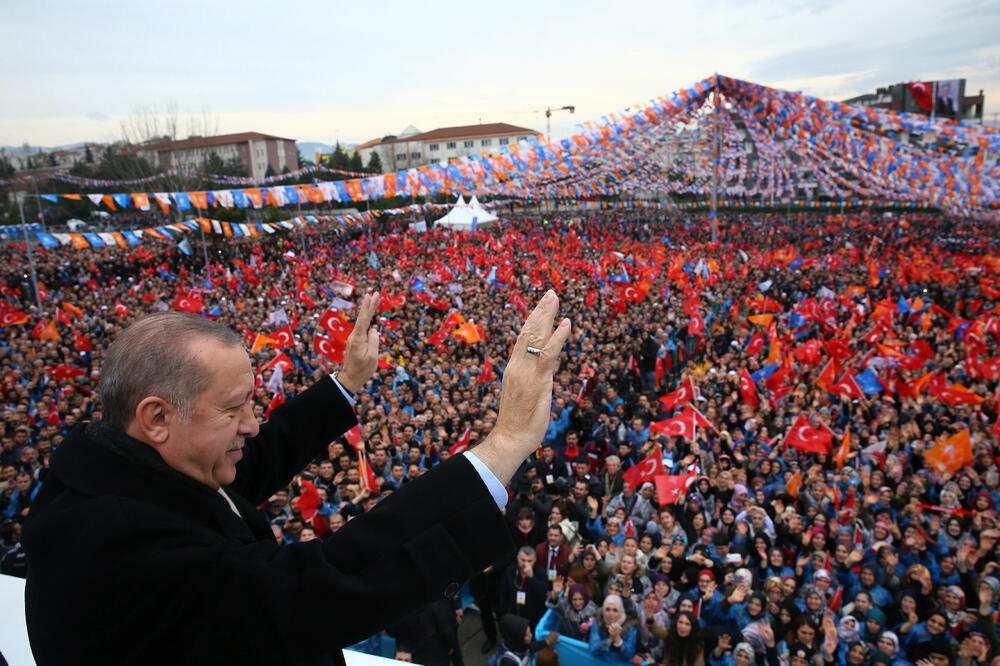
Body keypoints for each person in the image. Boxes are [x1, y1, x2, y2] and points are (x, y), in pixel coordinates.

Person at [22, 291, 573, 665]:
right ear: (157, 417)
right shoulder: (118, 542)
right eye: (234, 407)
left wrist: (346, 383)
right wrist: (505, 444)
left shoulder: (125, 468)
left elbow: (251, 465)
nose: (252, 422)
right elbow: (316, 587)